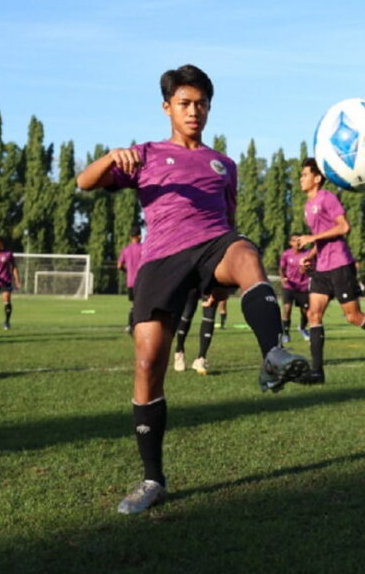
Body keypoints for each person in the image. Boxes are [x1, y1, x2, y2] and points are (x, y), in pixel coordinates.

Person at [76, 64, 308, 514]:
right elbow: (84, 182)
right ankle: (151, 479)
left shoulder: (225, 164)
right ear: (167, 107)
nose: (194, 111)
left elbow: (231, 219)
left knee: (246, 253)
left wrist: (221, 285)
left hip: (215, 245)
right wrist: (111, 157)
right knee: (147, 365)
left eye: (201, 103)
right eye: (185, 103)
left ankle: (273, 354)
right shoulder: (143, 155)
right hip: (162, 259)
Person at [297, 158, 365, 384]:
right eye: (302, 175)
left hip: (340, 265)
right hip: (322, 267)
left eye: (305, 174)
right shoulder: (308, 206)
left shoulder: (327, 198)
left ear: (317, 178)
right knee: (313, 314)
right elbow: (320, 239)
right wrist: (310, 256)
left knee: (353, 316)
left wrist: (312, 238)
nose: (302, 178)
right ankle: (317, 372)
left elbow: (344, 227)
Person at [172, 287, 221, 375]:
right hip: (193, 280)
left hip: (211, 282)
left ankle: (201, 358)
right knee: (187, 314)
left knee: (210, 316)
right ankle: (179, 351)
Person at [279, 234, 311, 344]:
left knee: (306, 312)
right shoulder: (286, 254)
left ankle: (302, 328)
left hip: (303, 286)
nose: (297, 243)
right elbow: (282, 268)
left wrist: (306, 269)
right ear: (290, 243)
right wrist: (283, 277)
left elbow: (312, 267)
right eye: (294, 241)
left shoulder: (308, 254)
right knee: (287, 309)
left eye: (299, 240)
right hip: (289, 286)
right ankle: (286, 334)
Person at [117, 225, 143, 334]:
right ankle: (134, 325)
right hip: (141, 281)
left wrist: (127, 271)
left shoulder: (126, 249)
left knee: (134, 304)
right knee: (139, 304)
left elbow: (119, 265)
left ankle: (130, 325)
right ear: (139, 236)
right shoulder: (143, 248)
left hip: (130, 282)